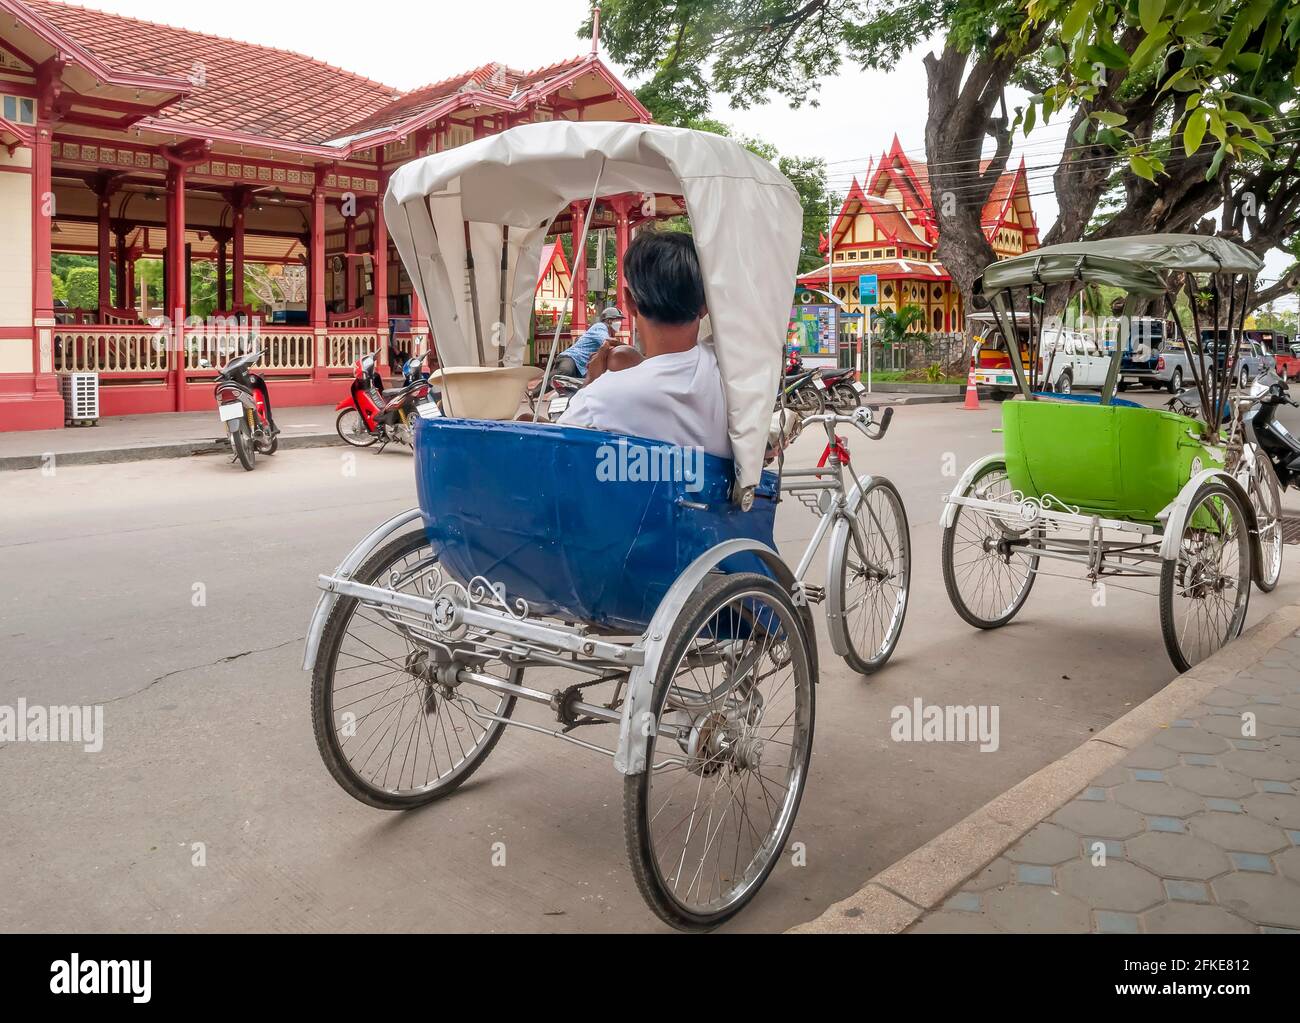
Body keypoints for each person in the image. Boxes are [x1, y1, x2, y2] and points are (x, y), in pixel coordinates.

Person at [559, 231, 730, 459]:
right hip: (714, 493)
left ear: (629, 302)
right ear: (705, 305)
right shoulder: (729, 372)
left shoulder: (599, 399)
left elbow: (557, 455)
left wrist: (589, 383)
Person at [553, 306, 624, 378]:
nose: (620, 323)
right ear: (609, 320)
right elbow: (607, 341)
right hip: (572, 358)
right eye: (618, 320)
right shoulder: (600, 326)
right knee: (564, 373)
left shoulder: (609, 333)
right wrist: (626, 347)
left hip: (582, 368)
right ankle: (542, 388)